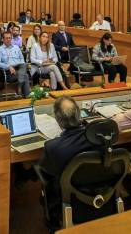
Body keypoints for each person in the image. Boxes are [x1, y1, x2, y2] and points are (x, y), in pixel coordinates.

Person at [37, 96, 93, 229]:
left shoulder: (53, 146)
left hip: (68, 198)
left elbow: (46, 172)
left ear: (58, 120)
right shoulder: (96, 136)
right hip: (100, 192)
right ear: (79, 114)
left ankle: (53, 221)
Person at [0, 31, 31, 98]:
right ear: (2, 39)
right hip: (8, 72)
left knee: (24, 64)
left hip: (19, 68)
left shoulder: (16, 48)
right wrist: (8, 66)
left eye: (10, 38)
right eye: (6, 38)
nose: (8, 39)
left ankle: (20, 86)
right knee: (25, 75)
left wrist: (17, 64)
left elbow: (22, 60)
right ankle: (27, 96)